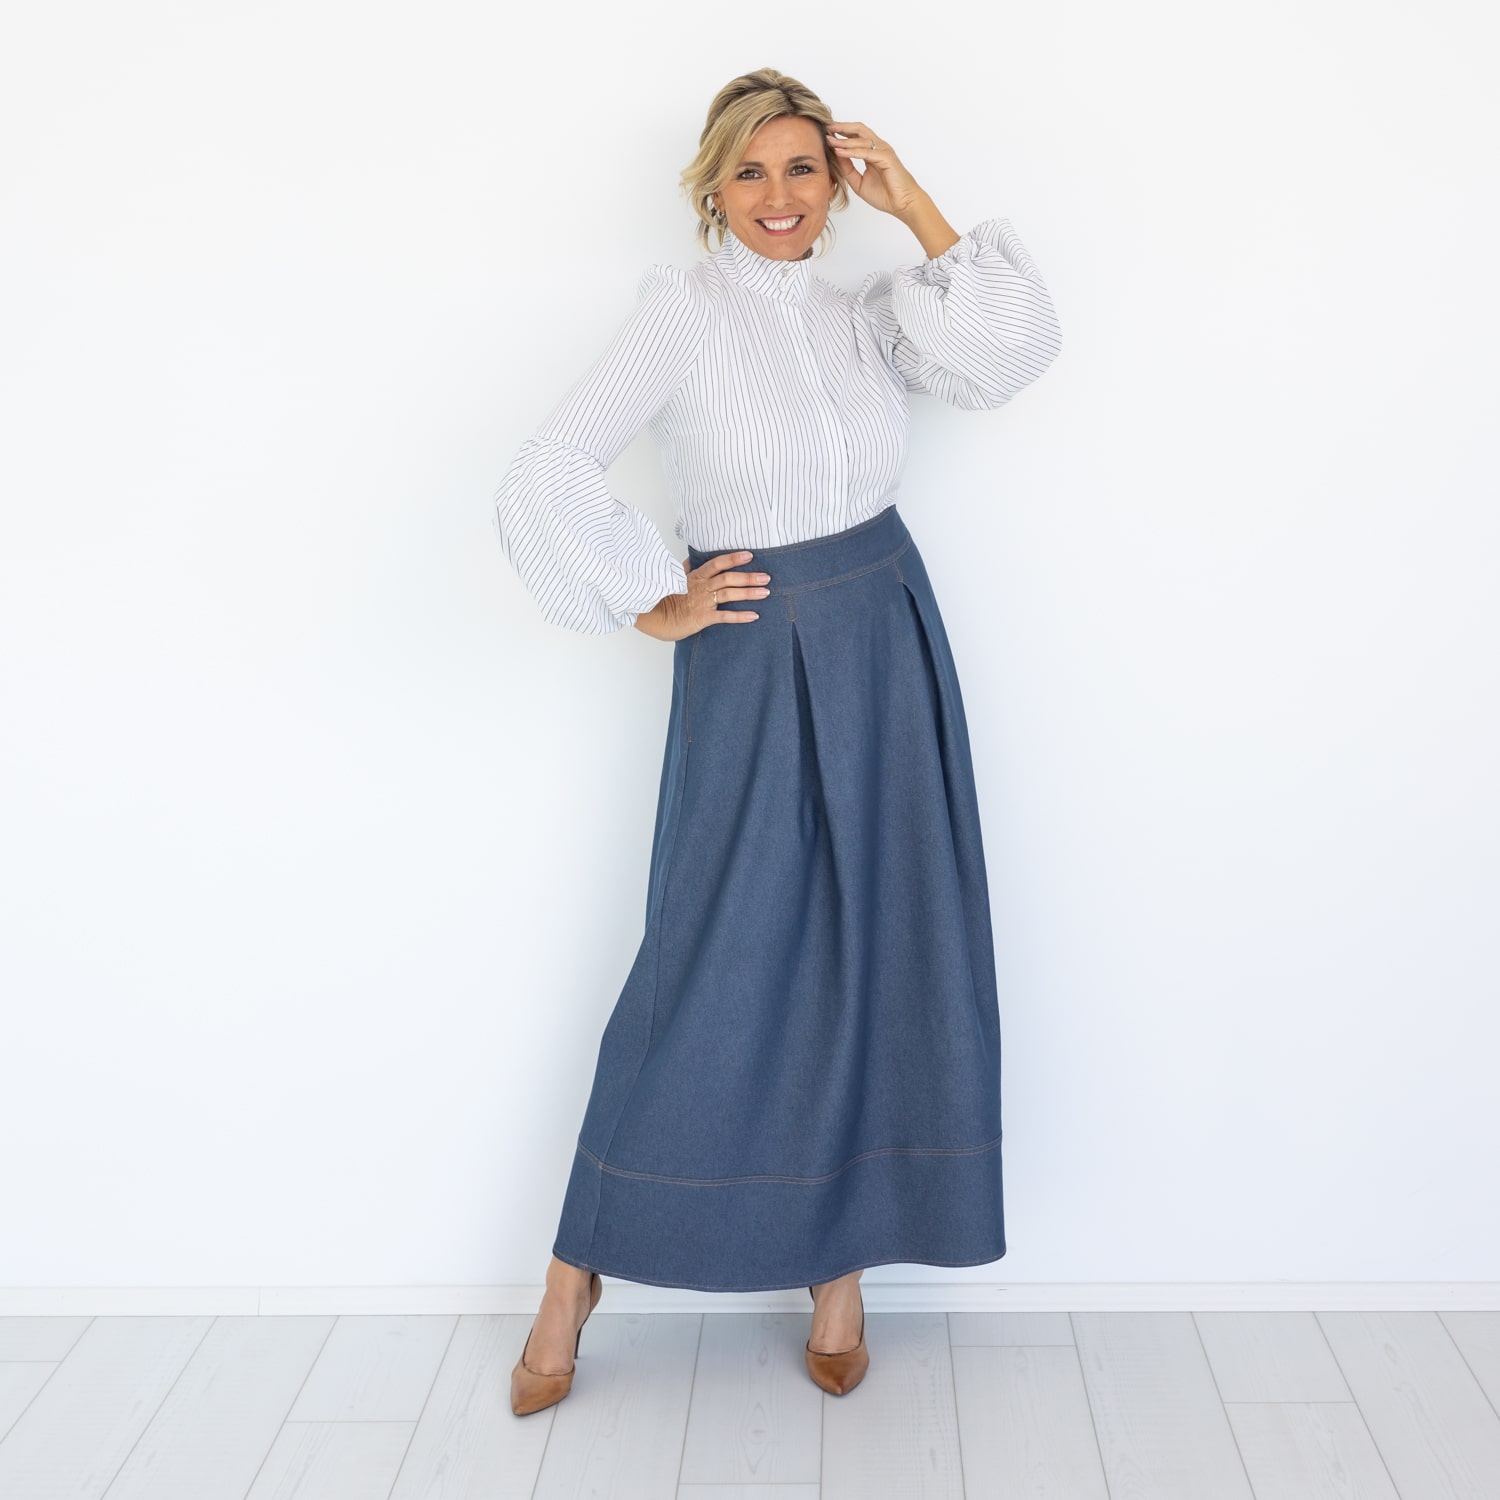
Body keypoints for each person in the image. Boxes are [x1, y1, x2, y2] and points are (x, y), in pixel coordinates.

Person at [494, 67, 1062, 1415]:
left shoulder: (873, 313)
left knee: (885, 948)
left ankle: (839, 1275)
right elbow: (546, 468)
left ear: (836, 180)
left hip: (885, 634)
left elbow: (1011, 355)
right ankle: (574, 1276)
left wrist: (915, 203)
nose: (779, 195)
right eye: (750, 171)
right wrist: (654, 602)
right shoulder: (678, 313)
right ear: (713, 186)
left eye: (803, 167)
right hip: (752, 651)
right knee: (712, 954)